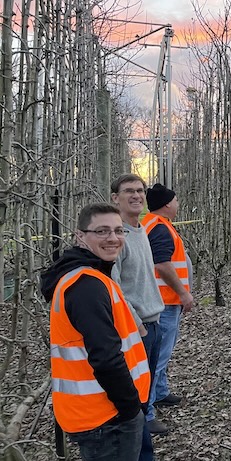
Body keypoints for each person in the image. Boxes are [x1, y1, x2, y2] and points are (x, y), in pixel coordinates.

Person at [40, 203, 150, 461]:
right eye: (101, 231)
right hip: (106, 416)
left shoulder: (87, 275)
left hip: (101, 412)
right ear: (80, 236)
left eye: (118, 231)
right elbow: (105, 357)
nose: (112, 238)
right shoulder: (86, 286)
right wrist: (130, 407)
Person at [110, 174, 168, 442]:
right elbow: (114, 286)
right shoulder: (115, 236)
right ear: (115, 198)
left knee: (144, 393)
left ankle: (143, 438)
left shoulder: (140, 230)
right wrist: (138, 325)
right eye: (128, 191)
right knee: (133, 397)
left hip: (152, 323)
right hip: (136, 329)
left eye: (140, 191)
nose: (136, 196)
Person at [142, 183, 194, 415]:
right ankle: (148, 410)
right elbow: (162, 264)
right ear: (166, 204)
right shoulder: (160, 228)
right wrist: (183, 293)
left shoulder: (154, 225)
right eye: (175, 200)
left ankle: (160, 392)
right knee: (158, 355)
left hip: (164, 300)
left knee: (163, 351)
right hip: (164, 302)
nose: (178, 204)